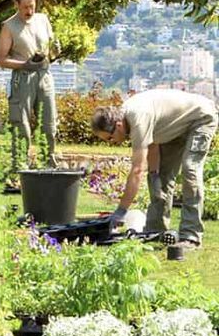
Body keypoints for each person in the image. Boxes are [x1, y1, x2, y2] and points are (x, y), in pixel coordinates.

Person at [92, 90, 218, 251]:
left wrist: (121, 211)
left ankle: (191, 236)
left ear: (118, 126)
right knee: (162, 176)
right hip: (174, 128)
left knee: (190, 169)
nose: (112, 142)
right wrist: (154, 175)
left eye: (110, 138)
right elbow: (152, 145)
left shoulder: (137, 119)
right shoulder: (127, 119)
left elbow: (137, 170)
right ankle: (156, 231)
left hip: (200, 118)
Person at [0, 0, 59, 169]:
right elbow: (0, 59)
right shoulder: (9, 26)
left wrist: (54, 51)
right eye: (25, 7)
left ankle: (49, 165)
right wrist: (24, 64)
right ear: (16, 4)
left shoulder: (43, 20)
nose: (29, 11)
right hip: (23, 77)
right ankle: (19, 168)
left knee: (49, 124)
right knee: (21, 124)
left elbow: (50, 46)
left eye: (32, 6)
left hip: (44, 76)